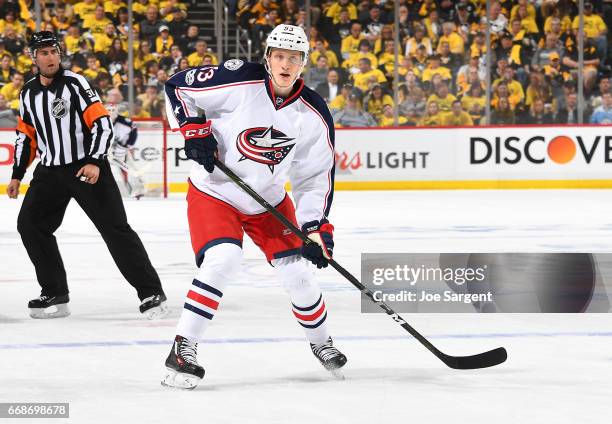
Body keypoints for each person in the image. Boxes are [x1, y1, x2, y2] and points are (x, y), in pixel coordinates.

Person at [161, 24, 347, 389]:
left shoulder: (313, 112)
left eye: (294, 58)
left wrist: (314, 226)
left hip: (269, 201)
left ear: (304, 64)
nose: (285, 63)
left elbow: (315, 175)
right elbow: (177, 87)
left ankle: (321, 343)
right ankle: (183, 347)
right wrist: (193, 128)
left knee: (299, 273)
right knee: (224, 259)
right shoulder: (239, 79)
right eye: (279, 55)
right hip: (215, 191)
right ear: (267, 58)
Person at [5, 32, 168, 320]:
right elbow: (26, 137)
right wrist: (18, 173)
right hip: (50, 171)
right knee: (30, 225)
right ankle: (55, 292)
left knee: (115, 229)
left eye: (53, 51)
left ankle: (151, 292)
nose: (50, 57)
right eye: (43, 52)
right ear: (33, 58)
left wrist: (94, 161)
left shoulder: (76, 83)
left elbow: (102, 124)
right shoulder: (27, 93)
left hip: (86, 168)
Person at [106, 104, 146, 199]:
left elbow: (134, 130)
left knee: (130, 168)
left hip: (121, 150)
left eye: (113, 110)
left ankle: (137, 191)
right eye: (108, 110)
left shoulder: (125, 122)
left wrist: (127, 145)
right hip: (105, 151)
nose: (111, 112)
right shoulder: (100, 121)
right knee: (101, 170)